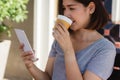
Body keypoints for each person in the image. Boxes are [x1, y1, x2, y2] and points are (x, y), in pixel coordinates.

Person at [20, 0, 116, 80]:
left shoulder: (105, 49)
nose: (66, 14)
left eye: (71, 8)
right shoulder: (61, 39)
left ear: (91, 8)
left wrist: (68, 50)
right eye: (64, 8)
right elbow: (48, 78)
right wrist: (30, 66)